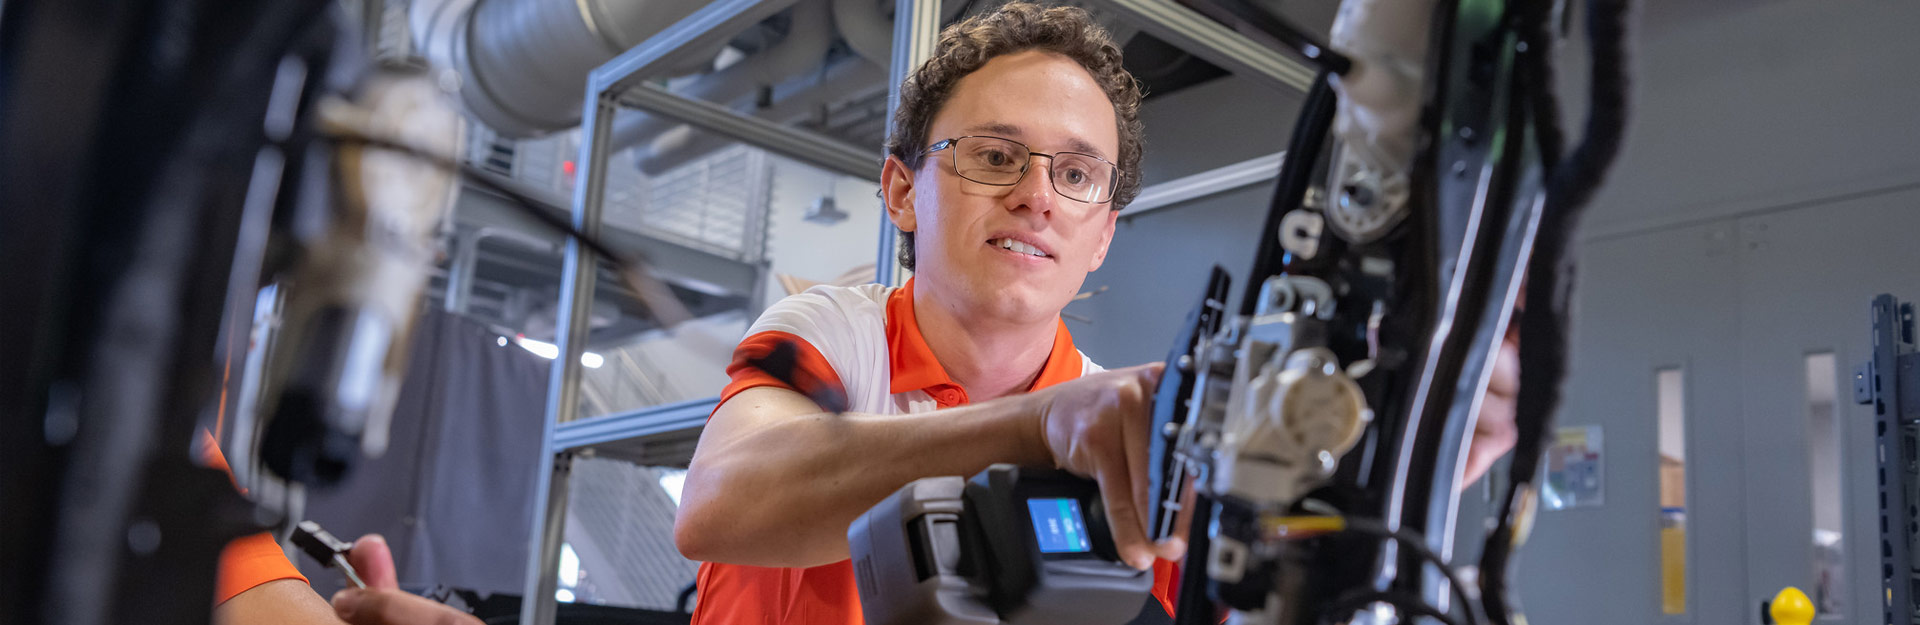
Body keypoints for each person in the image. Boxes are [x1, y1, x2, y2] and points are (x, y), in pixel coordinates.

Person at [673, 3, 1520, 624]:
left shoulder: (1119, 423)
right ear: (901, 191)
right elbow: (717, 501)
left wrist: (1389, 477)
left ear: (1104, 234)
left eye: (1077, 175)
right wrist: (1036, 427)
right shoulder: (837, 334)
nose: (1037, 195)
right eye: (995, 155)